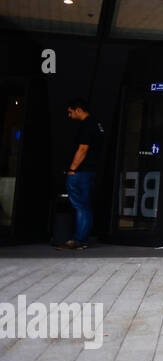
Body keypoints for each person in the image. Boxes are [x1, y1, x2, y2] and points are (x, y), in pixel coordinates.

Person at [57, 97, 103, 250]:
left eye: (70, 112)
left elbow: (83, 149)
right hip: (90, 171)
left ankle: (78, 240)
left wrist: (72, 169)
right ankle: (82, 239)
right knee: (85, 206)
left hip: (80, 172)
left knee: (80, 206)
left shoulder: (87, 125)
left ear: (78, 110)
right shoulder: (97, 124)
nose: (69, 116)